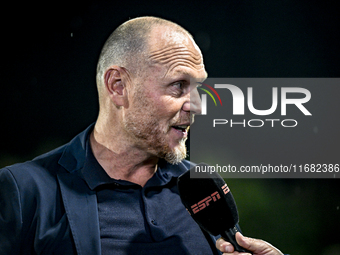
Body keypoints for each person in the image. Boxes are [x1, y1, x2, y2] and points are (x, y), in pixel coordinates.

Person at [0, 16, 285, 255]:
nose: (198, 105)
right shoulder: (24, 191)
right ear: (118, 86)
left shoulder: (202, 185)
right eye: (178, 86)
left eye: (198, 87)